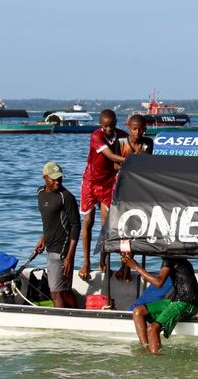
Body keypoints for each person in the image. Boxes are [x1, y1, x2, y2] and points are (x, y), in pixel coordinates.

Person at [79, 109, 127, 280]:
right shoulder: (96, 136)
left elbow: (128, 148)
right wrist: (131, 159)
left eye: (111, 125)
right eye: (105, 126)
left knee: (106, 225)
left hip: (108, 184)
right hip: (91, 182)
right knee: (88, 221)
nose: (109, 129)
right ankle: (86, 262)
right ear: (100, 125)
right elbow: (110, 155)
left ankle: (102, 260)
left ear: (115, 124)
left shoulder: (121, 136)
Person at [123, 255, 198, 354]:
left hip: (186, 303)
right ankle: (145, 348)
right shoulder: (177, 258)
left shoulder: (169, 259)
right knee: (138, 311)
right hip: (175, 300)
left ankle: (156, 357)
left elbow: (158, 282)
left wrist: (136, 267)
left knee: (152, 329)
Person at [34, 161, 80, 308]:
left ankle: (63, 320)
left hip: (62, 251)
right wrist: (43, 238)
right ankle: (78, 314)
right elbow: (50, 221)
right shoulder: (40, 193)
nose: (57, 182)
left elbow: (76, 226)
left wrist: (69, 257)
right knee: (64, 292)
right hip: (50, 247)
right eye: (54, 179)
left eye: (59, 178)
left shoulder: (66, 197)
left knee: (56, 293)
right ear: (45, 178)